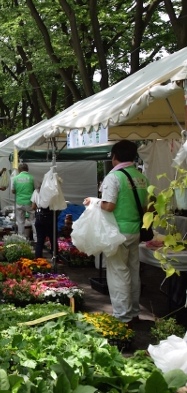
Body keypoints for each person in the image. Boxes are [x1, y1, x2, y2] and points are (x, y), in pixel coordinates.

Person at [84, 140, 149, 326]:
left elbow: (109, 206)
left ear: (114, 157)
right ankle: (134, 312)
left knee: (118, 273)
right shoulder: (141, 176)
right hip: (136, 230)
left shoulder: (114, 177)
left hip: (117, 232)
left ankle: (123, 317)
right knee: (133, 271)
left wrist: (94, 202)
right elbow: (147, 206)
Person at [31, 188, 58, 258]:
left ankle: (38, 258)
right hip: (50, 215)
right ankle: (55, 257)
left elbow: (33, 206)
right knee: (53, 238)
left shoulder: (36, 191)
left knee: (40, 240)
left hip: (39, 215)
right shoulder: (52, 190)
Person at [12, 163, 36, 240]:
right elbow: (37, 189)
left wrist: (19, 192)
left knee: (20, 221)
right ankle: (36, 239)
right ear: (27, 169)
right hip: (30, 203)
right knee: (33, 221)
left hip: (19, 202)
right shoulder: (32, 178)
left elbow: (13, 191)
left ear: (19, 170)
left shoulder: (15, 178)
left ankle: (21, 239)